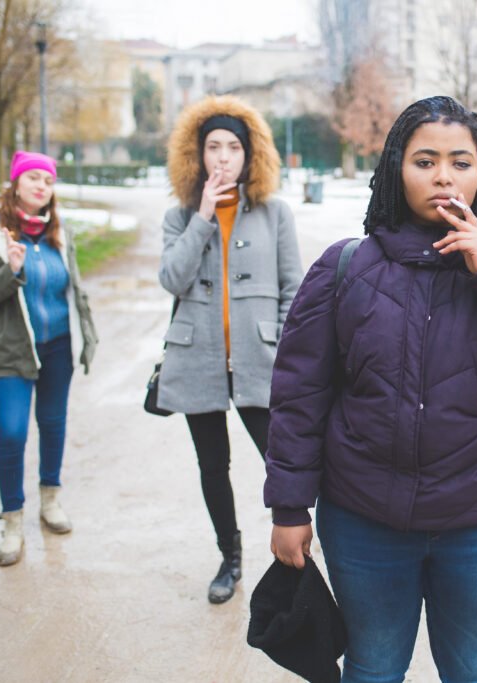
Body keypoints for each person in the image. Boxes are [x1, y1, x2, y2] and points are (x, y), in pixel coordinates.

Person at [264, 96, 477, 682]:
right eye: (425, 161)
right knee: (374, 666)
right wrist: (289, 506)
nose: (444, 175)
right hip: (366, 522)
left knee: (471, 667)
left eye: (461, 162)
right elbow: (298, 395)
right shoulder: (345, 268)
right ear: (396, 169)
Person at [157, 95, 303, 604]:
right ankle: (230, 556)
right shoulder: (179, 217)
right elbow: (172, 279)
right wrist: (201, 216)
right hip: (197, 359)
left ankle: (298, 546)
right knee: (212, 466)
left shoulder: (274, 214)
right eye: (212, 147)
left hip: (260, 361)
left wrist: (284, 349)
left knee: (282, 459)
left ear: (249, 155)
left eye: (232, 147)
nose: (222, 157)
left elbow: (294, 290)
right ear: (196, 156)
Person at [0, 150, 98, 567]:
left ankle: (50, 500)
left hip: (56, 345)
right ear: (16, 183)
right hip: (9, 351)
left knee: (53, 425)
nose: (41, 185)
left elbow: (72, 288)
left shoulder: (59, 232)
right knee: (11, 432)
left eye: (48, 179)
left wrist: (87, 335)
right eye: (33, 178)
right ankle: (12, 521)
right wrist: (11, 270)